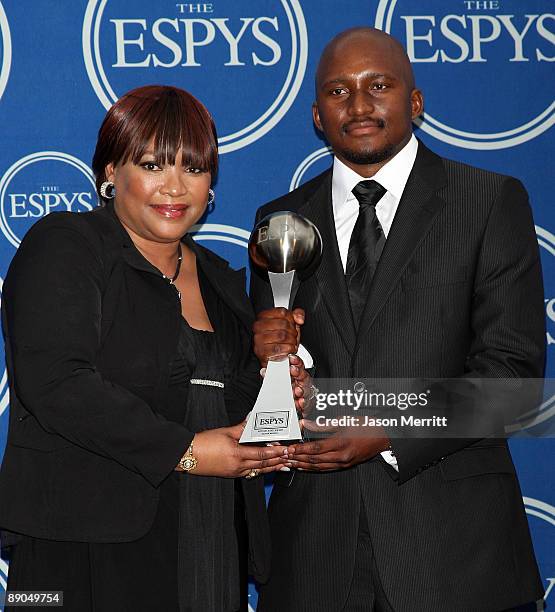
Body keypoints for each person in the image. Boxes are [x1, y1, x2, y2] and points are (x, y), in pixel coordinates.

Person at [250, 28, 545, 611]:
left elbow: (511, 381)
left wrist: (384, 431)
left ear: (414, 102)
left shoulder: (487, 200)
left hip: (456, 556)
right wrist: (268, 360)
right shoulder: (280, 222)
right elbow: (278, 391)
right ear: (316, 114)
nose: (358, 106)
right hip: (314, 555)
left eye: (378, 86)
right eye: (338, 91)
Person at [0, 85, 293, 612]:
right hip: (84, 550)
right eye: (154, 164)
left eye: (194, 168)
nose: (174, 186)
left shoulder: (223, 281)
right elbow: (56, 382)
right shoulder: (67, 245)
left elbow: (235, 412)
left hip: (210, 539)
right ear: (111, 173)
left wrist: (286, 380)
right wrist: (185, 452)